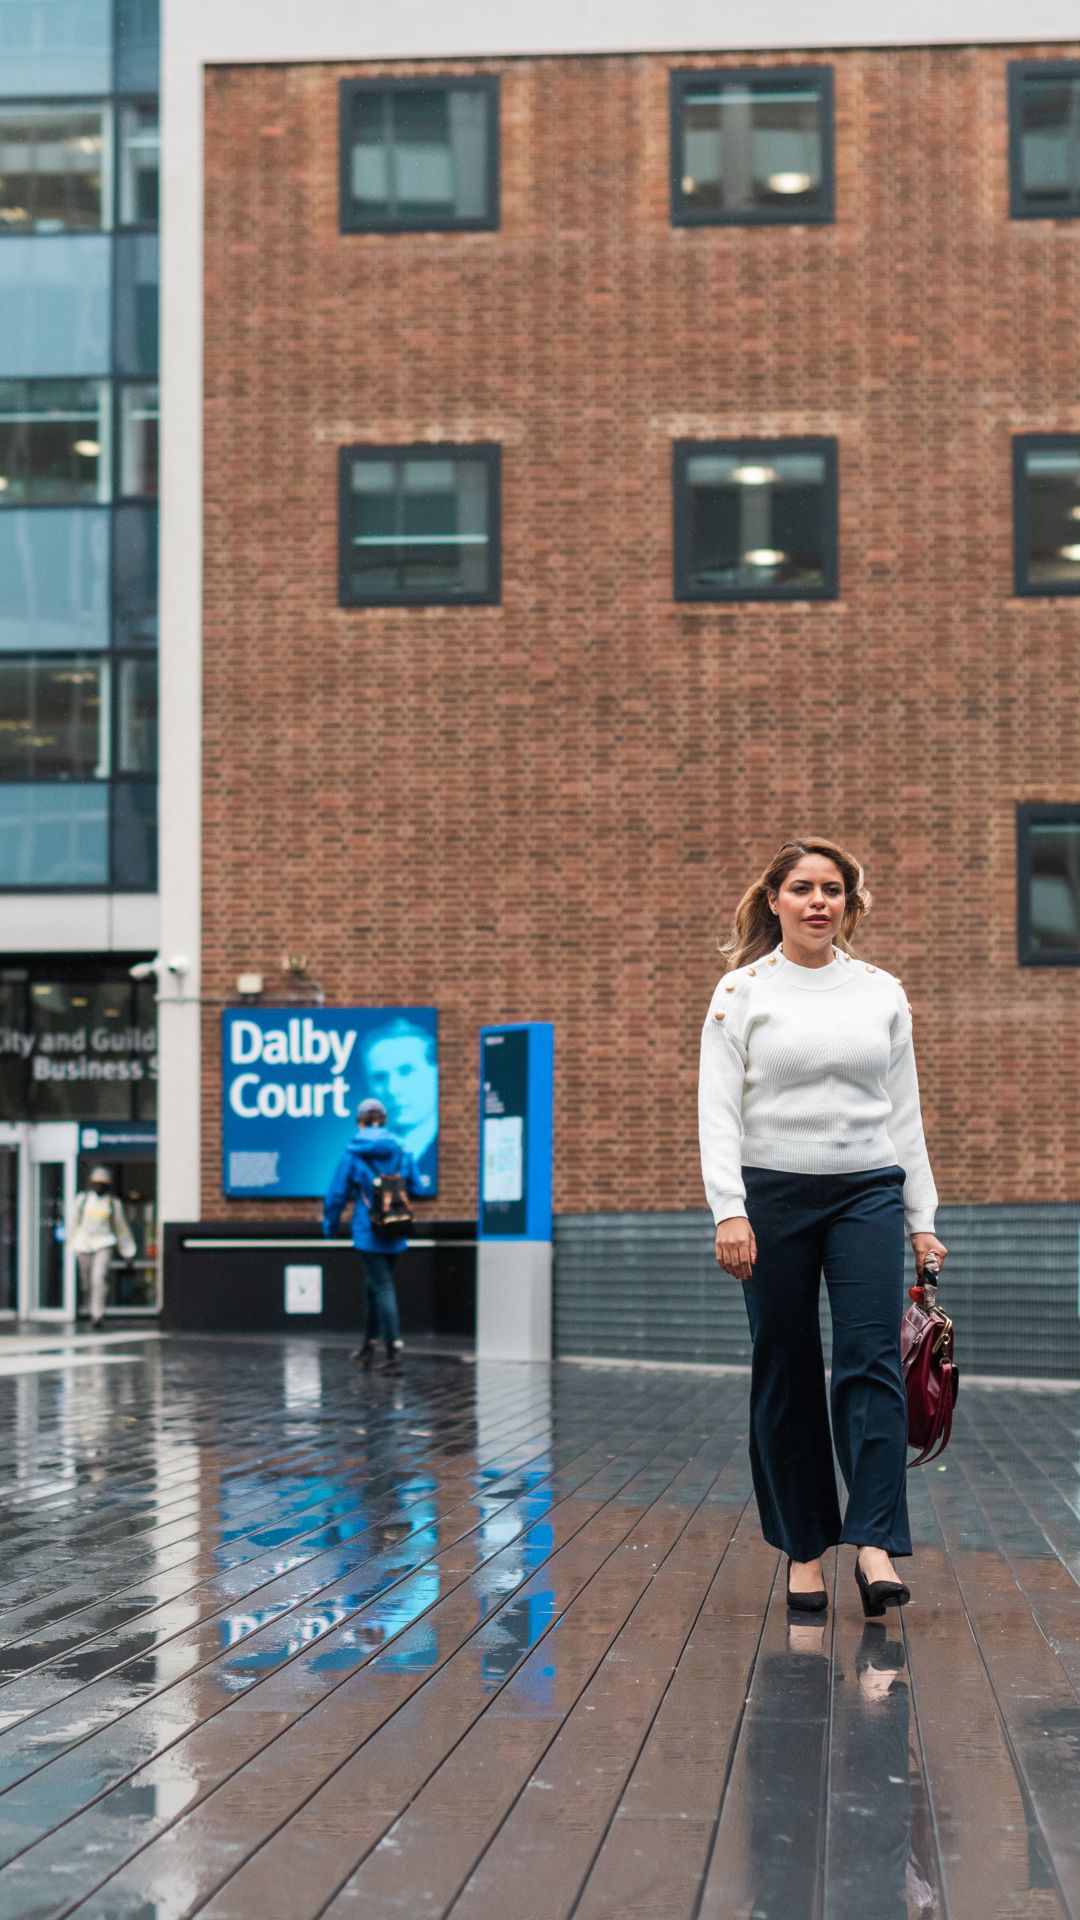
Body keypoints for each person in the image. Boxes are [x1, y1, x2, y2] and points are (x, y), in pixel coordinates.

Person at [698, 837, 948, 1616]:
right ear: (773, 900)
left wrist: (922, 1218)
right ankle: (805, 1550)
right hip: (770, 1198)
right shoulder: (741, 993)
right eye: (802, 888)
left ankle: (873, 1544)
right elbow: (718, 1112)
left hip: (867, 1192)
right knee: (787, 1365)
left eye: (832, 890)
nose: (817, 901)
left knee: (871, 1360)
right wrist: (729, 1209)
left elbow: (904, 1114)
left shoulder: (880, 992)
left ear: (849, 903)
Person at [323, 1096, 430, 1377]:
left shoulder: (353, 1154)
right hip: (396, 1229)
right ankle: (368, 1346)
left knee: (381, 1286)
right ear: (384, 1120)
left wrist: (330, 1226)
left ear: (359, 1122)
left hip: (367, 1230)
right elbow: (417, 1189)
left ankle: (394, 1351)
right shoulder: (402, 1150)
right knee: (374, 1286)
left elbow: (336, 1195)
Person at [360, 1018, 439, 1187]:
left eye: (406, 1071)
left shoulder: (465, 1152)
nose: (393, 1089)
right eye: (380, 1078)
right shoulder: (361, 1159)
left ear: (435, 1073)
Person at [69, 1166, 136, 1329]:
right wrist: (70, 1245)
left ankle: (97, 1315)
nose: (99, 1186)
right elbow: (73, 1224)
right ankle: (90, 1305)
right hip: (83, 1244)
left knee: (98, 1278)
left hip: (104, 1243)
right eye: (96, 1183)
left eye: (102, 1183)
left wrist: (128, 1252)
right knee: (86, 1281)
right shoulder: (82, 1200)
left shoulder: (113, 1203)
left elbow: (121, 1228)